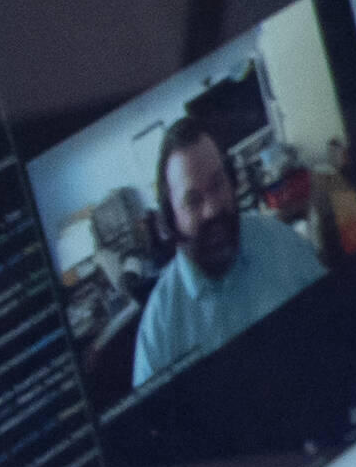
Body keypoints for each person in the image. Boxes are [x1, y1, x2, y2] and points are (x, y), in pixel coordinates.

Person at [123, 101, 324, 387]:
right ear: (171, 220)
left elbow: (333, 325)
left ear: (231, 181)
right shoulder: (159, 331)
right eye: (193, 201)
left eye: (218, 185)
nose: (212, 209)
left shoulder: (280, 242)